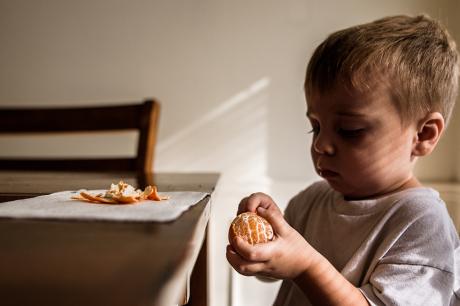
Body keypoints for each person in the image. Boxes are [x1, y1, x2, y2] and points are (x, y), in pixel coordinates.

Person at [226, 14, 460, 306]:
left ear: (423, 135)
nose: (321, 144)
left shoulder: (423, 224)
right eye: (316, 126)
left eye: (350, 130)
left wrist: (305, 265)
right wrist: (263, 246)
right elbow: (274, 270)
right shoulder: (310, 201)